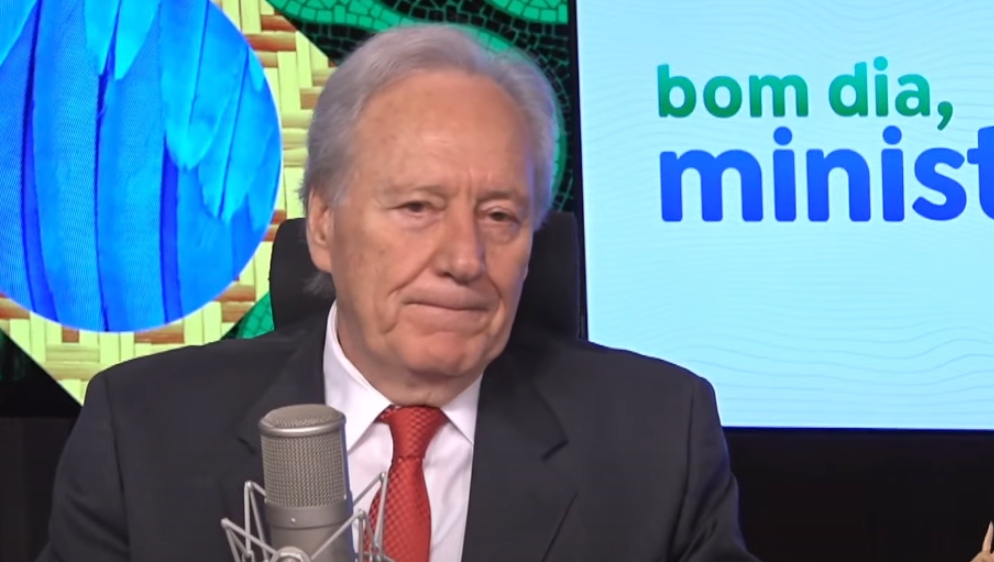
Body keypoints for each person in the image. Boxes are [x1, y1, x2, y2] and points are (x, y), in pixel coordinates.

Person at [36, 24, 759, 562]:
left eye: (500, 216)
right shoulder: (143, 432)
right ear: (324, 225)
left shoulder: (658, 441)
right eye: (417, 207)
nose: (464, 259)